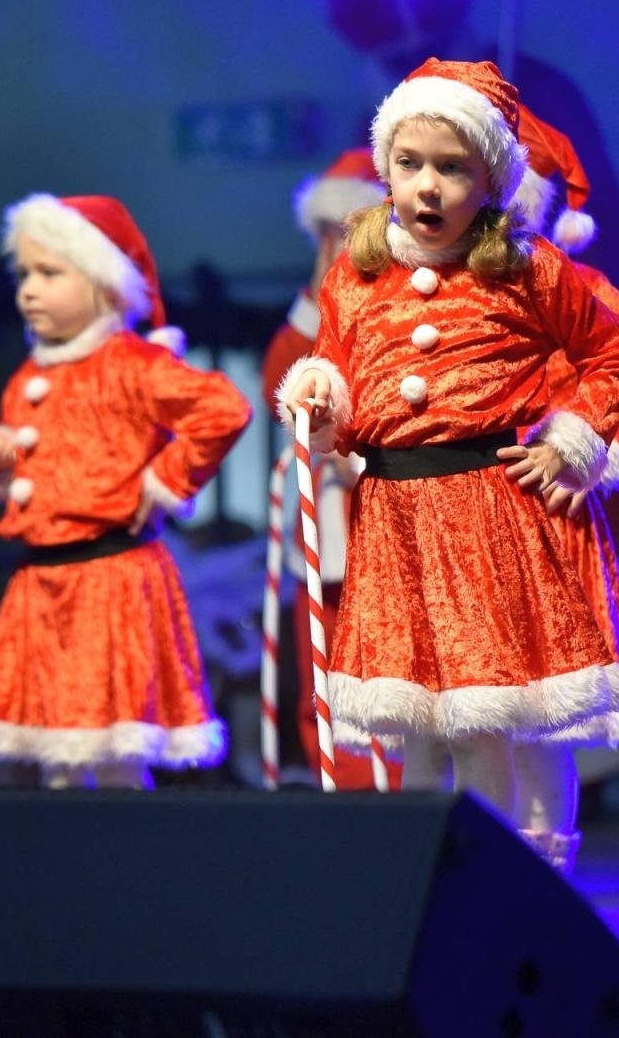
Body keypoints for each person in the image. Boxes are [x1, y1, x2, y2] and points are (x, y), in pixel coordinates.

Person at [277, 58, 619, 820]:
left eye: (452, 168)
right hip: (394, 517)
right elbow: (340, 363)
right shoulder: (353, 273)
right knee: (418, 721)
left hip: (485, 512)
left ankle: (513, 881)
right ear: (387, 167)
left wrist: (570, 439)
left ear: (491, 181)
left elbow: (616, 355)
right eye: (410, 165)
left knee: (485, 720)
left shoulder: (527, 269)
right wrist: (319, 394)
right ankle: (430, 880)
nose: (428, 186)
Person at [0, 193, 250, 789]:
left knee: (115, 746)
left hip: (110, 580)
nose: (28, 291)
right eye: (24, 275)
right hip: (44, 582)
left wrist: (165, 479)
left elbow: (223, 408)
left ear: (106, 286)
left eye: (49, 273)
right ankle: (73, 870)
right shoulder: (29, 376)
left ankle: (123, 867)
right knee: (57, 750)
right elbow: (34, 474)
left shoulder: (133, 364)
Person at [507, 104, 619, 871]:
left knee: (542, 717)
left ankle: (542, 880)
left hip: (542, 518)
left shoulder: (567, 281)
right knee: (465, 719)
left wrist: (590, 453)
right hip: (452, 520)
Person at [262, 148, 390, 789]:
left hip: (387, 518)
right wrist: (317, 297)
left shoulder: (400, 304)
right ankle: (337, 793)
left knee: (388, 675)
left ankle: (395, 802)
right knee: (324, 671)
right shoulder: (315, 314)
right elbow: (277, 384)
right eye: (321, 239)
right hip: (327, 533)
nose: (329, 250)